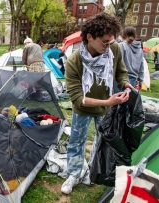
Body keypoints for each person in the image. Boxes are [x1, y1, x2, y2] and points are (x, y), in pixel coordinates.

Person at [61, 12, 134, 195]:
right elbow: (77, 98)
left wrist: (125, 82)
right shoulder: (74, 60)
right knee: (77, 142)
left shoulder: (114, 49)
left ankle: (93, 170)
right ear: (90, 37)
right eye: (105, 42)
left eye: (111, 42)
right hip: (83, 109)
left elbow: (120, 72)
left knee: (101, 141)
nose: (109, 46)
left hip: (105, 109)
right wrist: (108, 100)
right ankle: (74, 174)